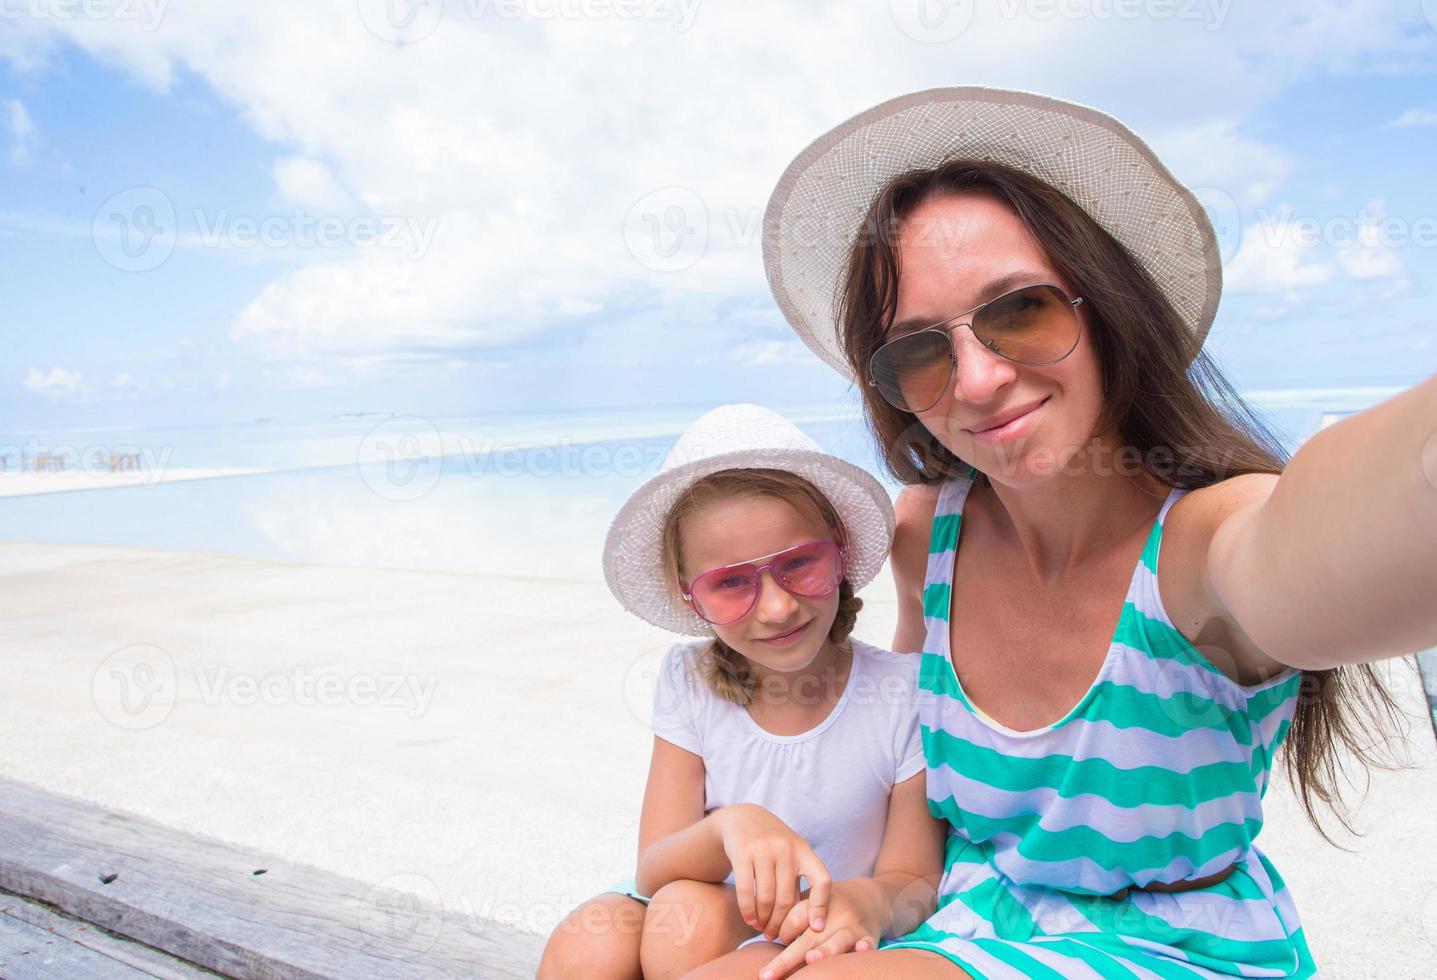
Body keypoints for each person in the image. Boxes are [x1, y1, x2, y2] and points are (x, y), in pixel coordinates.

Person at [757, 86, 1432, 978]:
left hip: (1176, 952)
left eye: (1020, 311)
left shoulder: (1199, 547)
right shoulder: (927, 538)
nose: (979, 378)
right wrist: (874, 894)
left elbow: (1328, 527)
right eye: (918, 351)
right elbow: (911, 775)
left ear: (1105, 307)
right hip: (962, 920)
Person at [537, 403, 947, 980]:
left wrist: (867, 903)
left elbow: (914, 880)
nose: (778, 607)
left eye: (799, 564)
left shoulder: (902, 691)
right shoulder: (690, 682)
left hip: (833, 924)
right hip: (712, 909)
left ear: (839, 553)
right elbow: (654, 869)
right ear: (690, 597)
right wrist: (734, 825)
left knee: (685, 929)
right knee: (593, 940)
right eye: (731, 583)